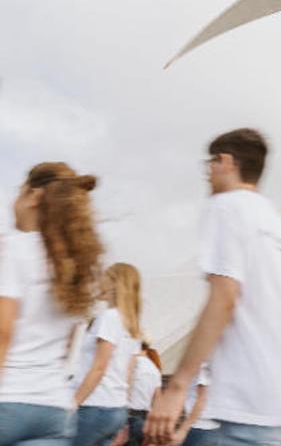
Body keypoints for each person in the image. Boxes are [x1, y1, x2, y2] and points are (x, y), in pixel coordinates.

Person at [146, 128, 281, 445]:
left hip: (241, 401)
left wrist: (178, 386)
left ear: (225, 161)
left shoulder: (227, 207)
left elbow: (223, 298)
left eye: (209, 164)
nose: (207, 175)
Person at [0, 163, 102, 444]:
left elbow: (2, 334)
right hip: (54, 408)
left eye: (18, 192)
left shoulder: (12, 248)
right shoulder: (76, 266)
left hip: (7, 399)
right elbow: (71, 343)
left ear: (33, 195)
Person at [73, 262, 143, 446]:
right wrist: (124, 416)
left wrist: (73, 403)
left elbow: (99, 367)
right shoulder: (131, 325)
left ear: (114, 283)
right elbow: (129, 375)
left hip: (94, 405)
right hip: (115, 409)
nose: (99, 281)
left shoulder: (109, 317)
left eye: (104, 276)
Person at [127, 342, 162, 446]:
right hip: (144, 419)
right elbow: (158, 399)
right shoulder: (154, 369)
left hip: (128, 416)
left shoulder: (132, 363)